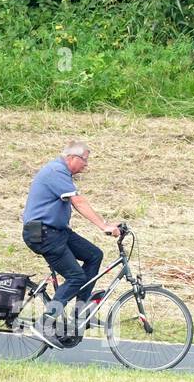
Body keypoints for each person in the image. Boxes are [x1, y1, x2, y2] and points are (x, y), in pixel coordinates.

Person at [21, 141, 120, 341]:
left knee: (94, 255)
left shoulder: (62, 173)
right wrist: (103, 225)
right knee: (76, 277)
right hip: (43, 234)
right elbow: (78, 202)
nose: (86, 165)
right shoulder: (56, 171)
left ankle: (80, 314)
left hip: (56, 231)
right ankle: (45, 323)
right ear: (72, 158)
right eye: (84, 160)